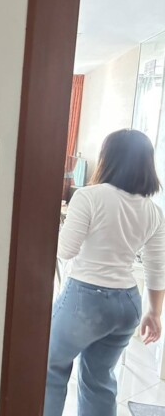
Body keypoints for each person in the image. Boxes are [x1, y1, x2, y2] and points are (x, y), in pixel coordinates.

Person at [44, 128, 165, 416]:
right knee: (99, 379)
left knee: (50, 368)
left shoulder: (89, 196)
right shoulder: (154, 211)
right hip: (127, 304)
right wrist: (154, 313)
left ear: (107, 158)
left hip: (85, 300)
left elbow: (65, 250)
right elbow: (157, 268)